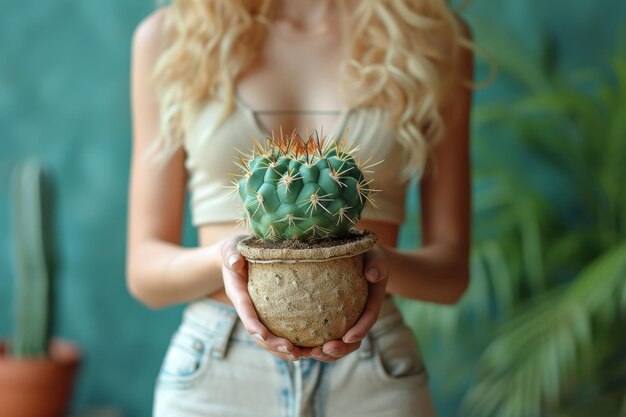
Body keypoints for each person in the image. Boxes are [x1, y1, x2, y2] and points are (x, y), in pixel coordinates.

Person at [127, 0, 473, 415]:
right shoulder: (171, 35)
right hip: (219, 374)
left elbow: (451, 274)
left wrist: (373, 265)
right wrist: (226, 259)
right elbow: (144, 270)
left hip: (371, 369)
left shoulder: (431, 36)